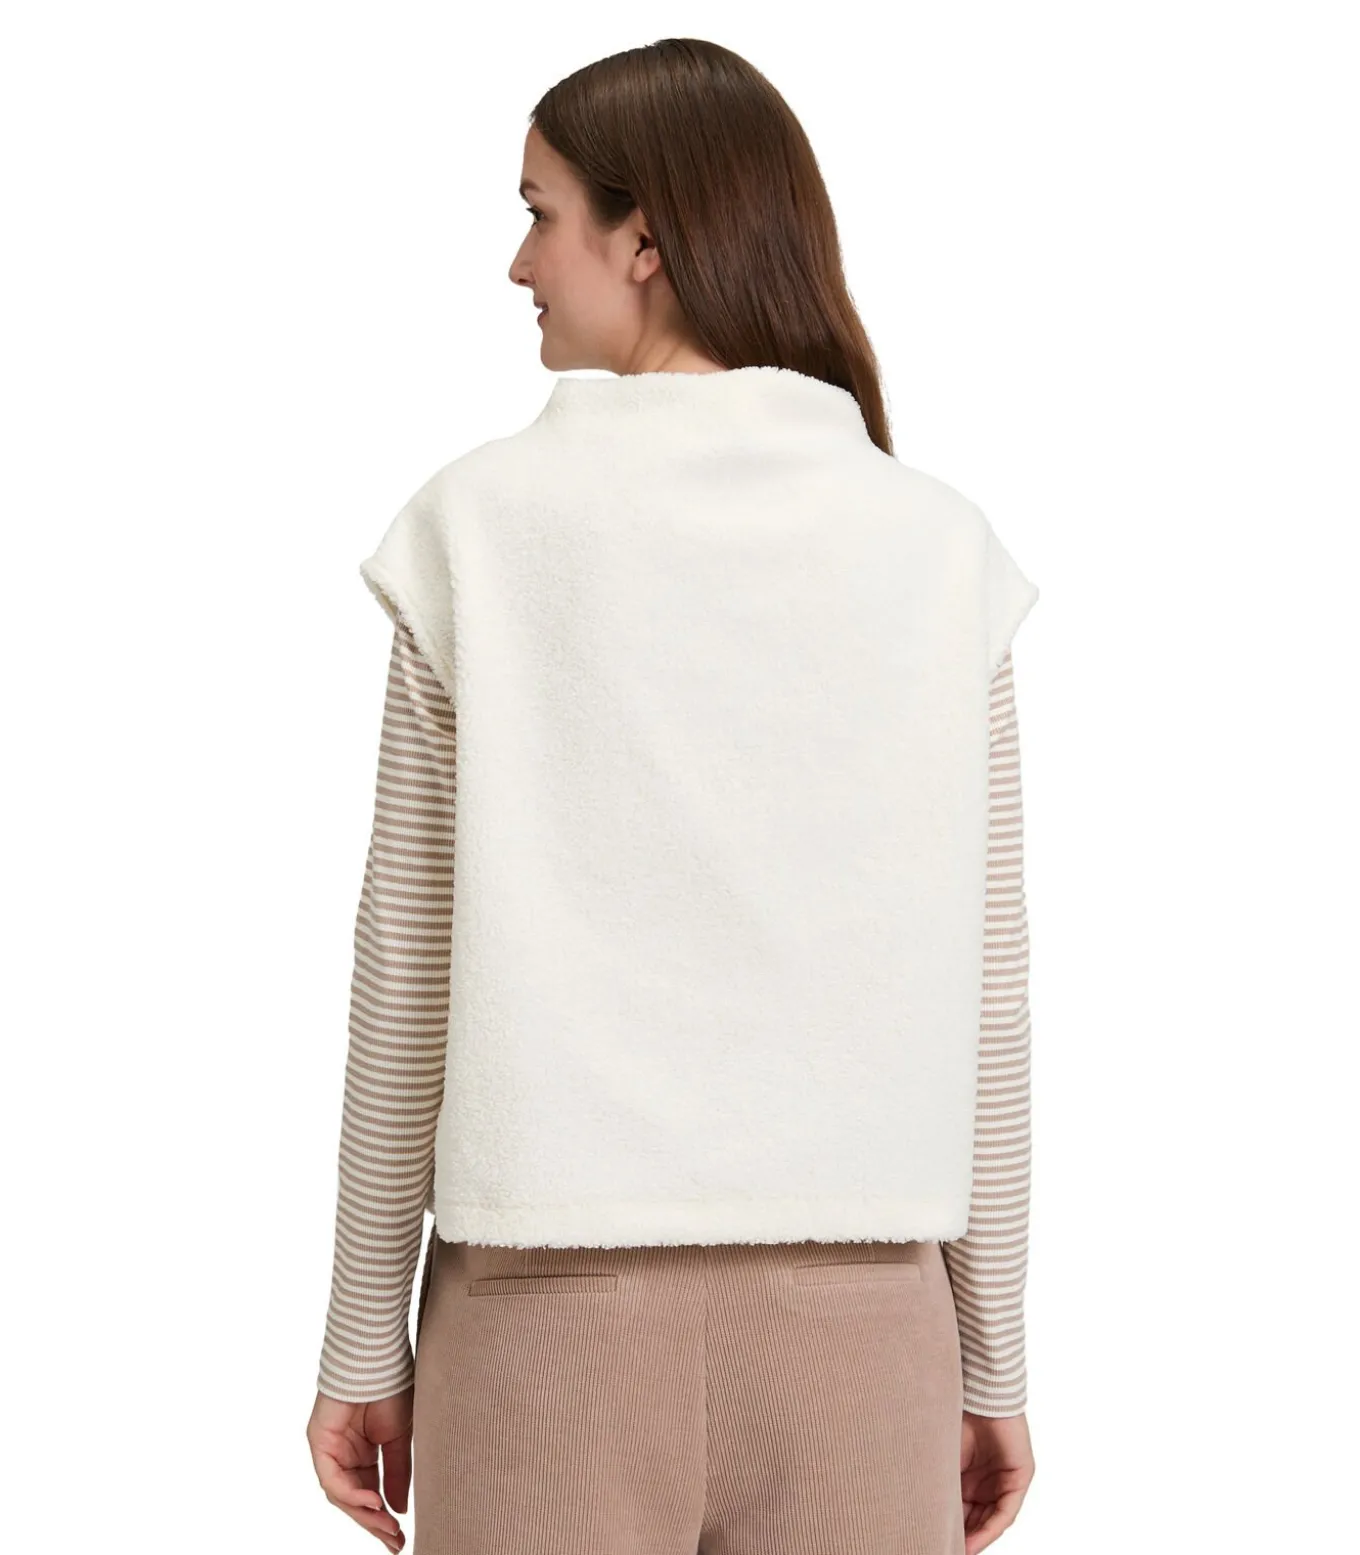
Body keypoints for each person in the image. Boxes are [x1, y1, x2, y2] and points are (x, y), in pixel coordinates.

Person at [306, 37, 1038, 1555]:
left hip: (545, 1329)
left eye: (539, 213)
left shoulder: (477, 530)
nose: (518, 262)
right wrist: (992, 1359)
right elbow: (989, 990)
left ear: (643, 239)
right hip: (861, 1329)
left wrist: (363, 1338)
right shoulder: (934, 549)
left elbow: (406, 969)